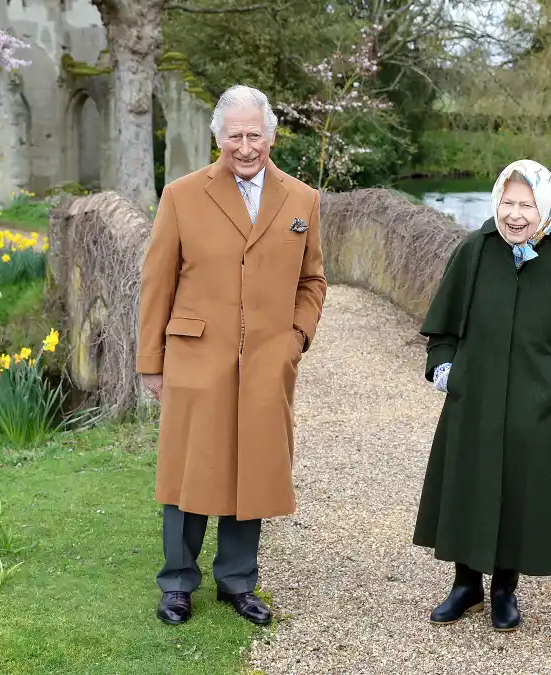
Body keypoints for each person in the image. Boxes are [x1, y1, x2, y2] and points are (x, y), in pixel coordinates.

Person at [135, 84, 327, 627]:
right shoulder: (182, 196)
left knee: (253, 467)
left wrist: (295, 339)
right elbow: (157, 283)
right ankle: (177, 583)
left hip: (267, 361)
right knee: (189, 472)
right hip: (196, 357)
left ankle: (238, 582)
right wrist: (151, 362)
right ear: (218, 137)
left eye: (255, 135)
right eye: (235, 136)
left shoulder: (302, 200)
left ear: (271, 136)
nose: (245, 147)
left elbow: (312, 280)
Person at [412, 159, 551, 631]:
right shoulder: (475, 249)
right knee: (468, 485)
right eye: (507, 203)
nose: (514, 215)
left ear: (546, 205)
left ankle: (504, 590)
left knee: (518, 492)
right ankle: (466, 586)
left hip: (538, 406)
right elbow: (443, 328)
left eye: (526, 205)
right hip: (474, 401)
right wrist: (447, 371)